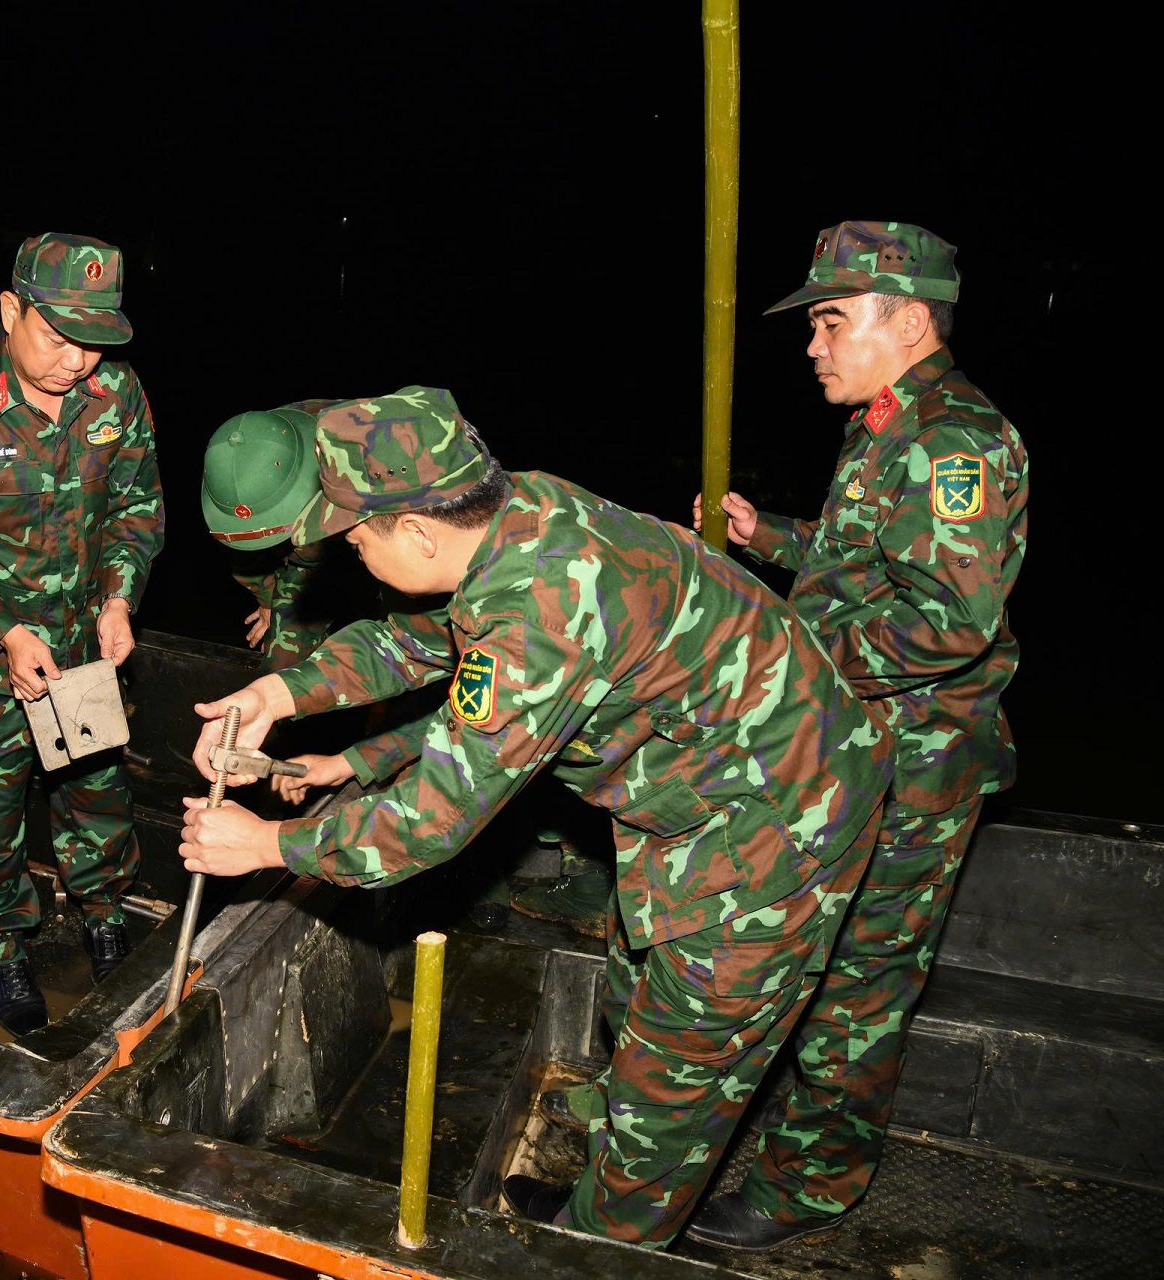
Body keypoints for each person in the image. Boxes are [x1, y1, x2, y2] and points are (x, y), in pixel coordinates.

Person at [179, 387, 892, 1247]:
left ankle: (604, 1242)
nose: (352, 557)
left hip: (776, 827)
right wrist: (279, 692)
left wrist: (265, 842)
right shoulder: (519, 515)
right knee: (636, 993)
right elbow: (415, 639)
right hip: (719, 783)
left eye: (357, 540)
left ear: (418, 532)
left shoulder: (536, 619)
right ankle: (611, 1158)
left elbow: (426, 824)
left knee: (675, 1082)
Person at [686, 221, 1029, 1251]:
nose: (813, 344)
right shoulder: (890, 421)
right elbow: (864, 562)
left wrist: (784, 656)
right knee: (816, 957)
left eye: (833, 321)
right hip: (860, 747)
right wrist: (768, 537)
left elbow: (951, 621)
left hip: (917, 765)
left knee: (860, 984)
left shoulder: (954, 442)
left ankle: (812, 1184)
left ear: (910, 321)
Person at [0, 232, 163, 1035]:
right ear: (11, 311)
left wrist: (118, 600)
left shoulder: (117, 394)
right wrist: (4, 633)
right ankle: (4, 943)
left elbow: (136, 508)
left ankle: (103, 912)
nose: (76, 362)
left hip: (81, 647)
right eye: (57, 337)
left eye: (94, 342)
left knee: (95, 789)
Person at [202, 405, 337, 669]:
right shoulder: (234, 468)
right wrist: (267, 600)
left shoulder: (360, 447)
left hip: (385, 547)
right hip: (305, 562)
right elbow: (241, 547)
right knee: (282, 663)